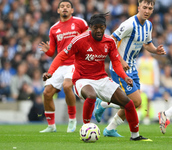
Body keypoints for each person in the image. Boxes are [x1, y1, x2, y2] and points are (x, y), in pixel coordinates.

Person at [43, 12, 151, 141]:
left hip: (101, 79)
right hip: (81, 79)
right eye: (96, 28)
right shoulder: (79, 40)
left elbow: (116, 63)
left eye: (102, 27)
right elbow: (61, 55)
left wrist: (124, 77)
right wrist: (50, 72)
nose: (99, 30)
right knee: (91, 95)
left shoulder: (109, 41)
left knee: (128, 103)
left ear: (105, 27)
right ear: (90, 27)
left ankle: (135, 136)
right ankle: (86, 128)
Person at [94, 0, 166, 137]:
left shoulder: (149, 25)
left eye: (150, 8)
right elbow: (111, 40)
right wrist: (120, 60)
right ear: (138, 7)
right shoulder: (128, 24)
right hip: (119, 68)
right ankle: (103, 105)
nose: (147, 10)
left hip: (132, 68)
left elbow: (147, 44)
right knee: (135, 101)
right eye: (144, 7)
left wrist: (156, 50)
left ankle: (108, 123)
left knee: (133, 103)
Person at [39, 0, 88, 133]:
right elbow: (52, 53)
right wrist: (48, 50)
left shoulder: (80, 22)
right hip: (60, 64)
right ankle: (51, 126)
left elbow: (89, 38)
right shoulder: (54, 28)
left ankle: (72, 120)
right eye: (62, 6)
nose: (65, 8)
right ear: (58, 10)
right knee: (47, 93)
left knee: (67, 86)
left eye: (67, 6)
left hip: (75, 62)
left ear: (72, 10)